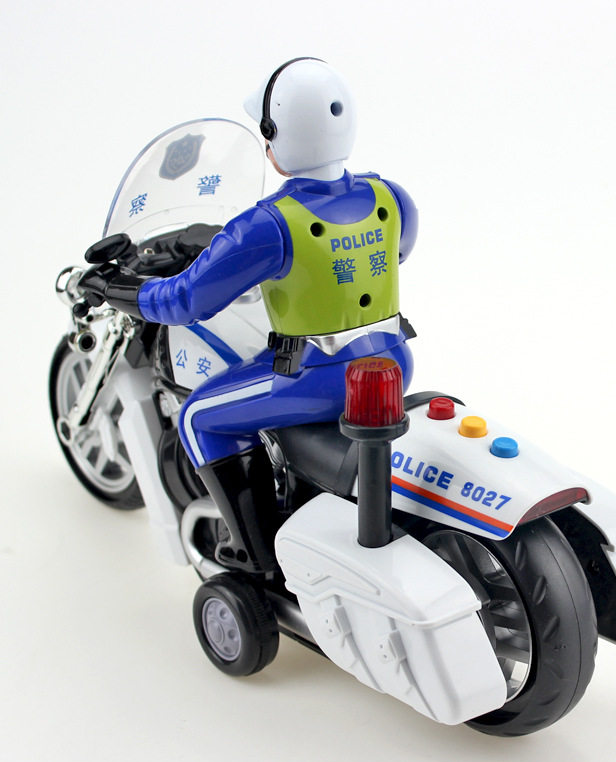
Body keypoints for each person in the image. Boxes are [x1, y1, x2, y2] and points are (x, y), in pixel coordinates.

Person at [83, 58, 418, 572]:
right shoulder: (390, 197)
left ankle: (253, 556)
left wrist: (117, 288)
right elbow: (392, 255)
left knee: (198, 417)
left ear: (274, 135)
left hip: (313, 378)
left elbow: (184, 301)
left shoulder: (268, 225)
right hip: (392, 363)